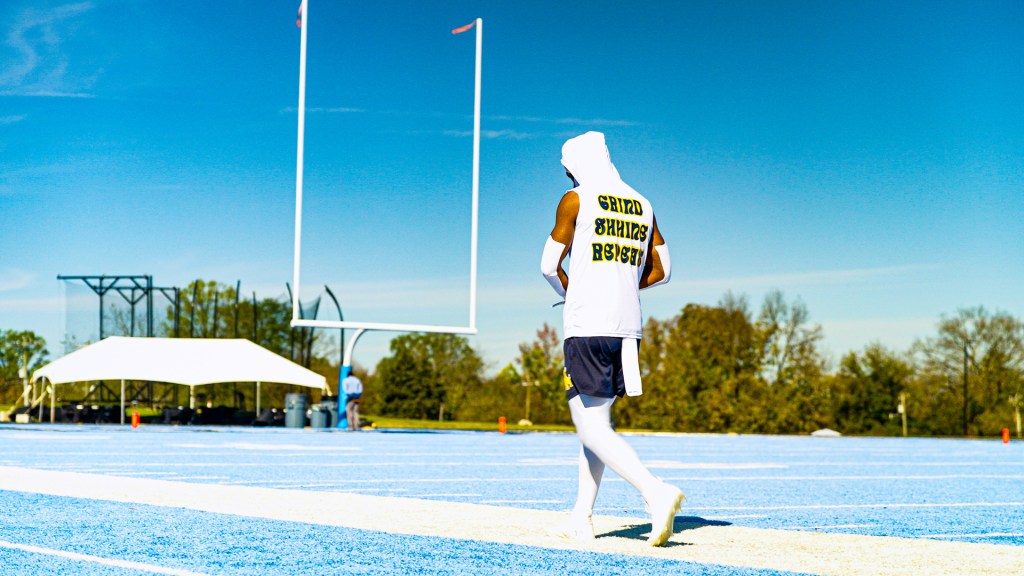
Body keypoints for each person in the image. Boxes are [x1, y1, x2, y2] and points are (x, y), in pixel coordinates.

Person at [540, 131, 684, 547]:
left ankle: (655, 491)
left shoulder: (577, 199)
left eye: (569, 171)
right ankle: (581, 517)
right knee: (596, 424)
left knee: (590, 428)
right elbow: (664, 269)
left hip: (587, 324)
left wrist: (575, 292)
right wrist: (620, 284)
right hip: (628, 326)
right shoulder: (643, 202)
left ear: (578, 164)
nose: (569, 180)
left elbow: (549, 265)